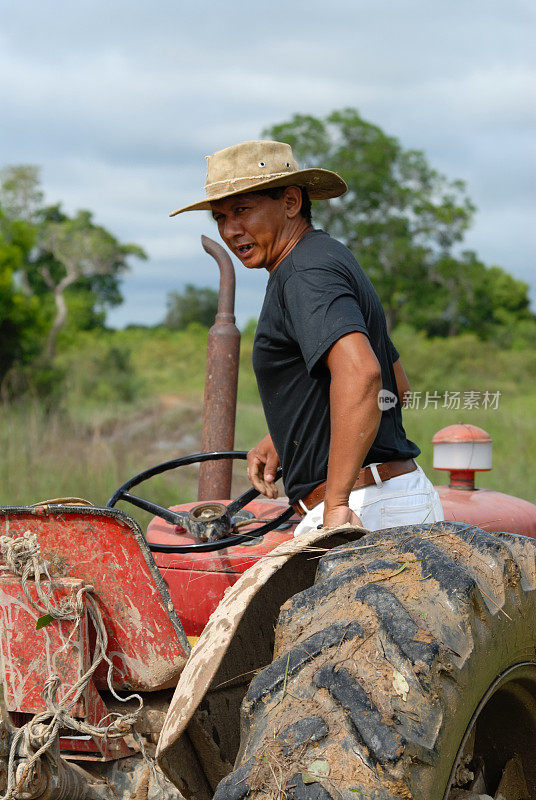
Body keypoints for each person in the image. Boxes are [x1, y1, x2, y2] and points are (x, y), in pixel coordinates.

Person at [170, 139, 444, 533]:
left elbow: (365, 377)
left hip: (364, 509)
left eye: (243, 210)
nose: (231, 231)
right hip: (393, 495)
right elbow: (395, 386)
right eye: (220, 218)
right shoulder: (324, 257)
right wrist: (292, 437)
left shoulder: (303, 274)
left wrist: (336, 503)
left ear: (291, 202)